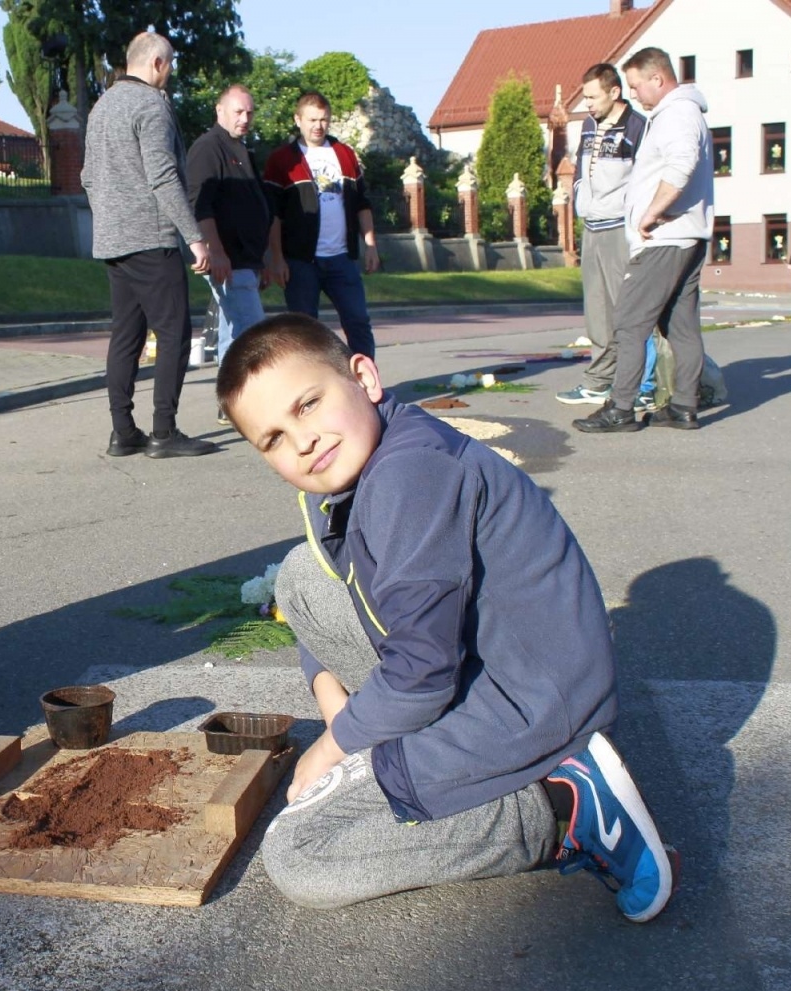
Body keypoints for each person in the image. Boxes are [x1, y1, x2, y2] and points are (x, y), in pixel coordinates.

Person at [216, 313, 678, 920]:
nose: (301, 440)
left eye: (307, 404)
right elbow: (356, 603)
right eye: (273, 438)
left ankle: (558, 811)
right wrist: (345, 717)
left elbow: (424, 674)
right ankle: (472, 772)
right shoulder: (372, 461)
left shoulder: (409, 478)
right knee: (303, 577)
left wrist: (332, 749)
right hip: (497, 673)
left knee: (300, 854)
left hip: (529, 707)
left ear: (364, 376)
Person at [82, 31, 216, 459]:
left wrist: (108, 217)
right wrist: (193, 236)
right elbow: (162, 176)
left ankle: (123, 431)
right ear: (157, 63)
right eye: (170, 64)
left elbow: (87, 176)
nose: (170, 73)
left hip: (113, 241)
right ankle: (164, 431)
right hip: (151, 238)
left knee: (126, 336)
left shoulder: (101, 107)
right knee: (174, 333)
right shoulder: (151, 106)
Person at [574, 47, 714, 434]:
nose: (634, 94)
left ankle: (620, 408)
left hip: (665, 238)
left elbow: (681, 163)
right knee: (681, 326)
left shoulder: (677, 115)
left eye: (636, 86)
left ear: (658, 78)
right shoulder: (680, 114)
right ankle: (684, 406)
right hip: (687, 235)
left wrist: (651, 212)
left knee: (630, 322)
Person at [556, 63, 649, 408]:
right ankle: (598, 380)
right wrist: (581, 196)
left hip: (618, 229)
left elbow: (645, 179)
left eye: (593, 97)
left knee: (625, 310)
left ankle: (636, 385)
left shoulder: (638, 127)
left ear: (615, 92)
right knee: (596, 312)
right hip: (592, 227)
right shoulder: (589, 125)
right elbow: (580, 169)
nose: (588, 105)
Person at [263, 92, 379, 358]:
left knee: (358, 321)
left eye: (324, 120)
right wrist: (277, 258)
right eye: (312, 119)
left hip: (341, 258)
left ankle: (367, 384)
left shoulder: (345, 154)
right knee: (304, 330)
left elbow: (362, 204)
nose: (318, 126)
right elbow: (274, 215)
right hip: (301, 261)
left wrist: (370, 245)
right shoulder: (282, 160)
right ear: (298, 120)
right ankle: (310, 389)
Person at [186, 84, 270, 356]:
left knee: (234, 337)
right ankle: (240, 397)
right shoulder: (208, 148)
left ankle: (227, 396)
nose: (245, 119)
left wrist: (263, 259)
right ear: (219, 110)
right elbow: (200, 205)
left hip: (247, 260)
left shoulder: (241, 149)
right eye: (238, 112)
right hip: (230, 262)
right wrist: (216, 252)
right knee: (253, 336)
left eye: (249, 112)